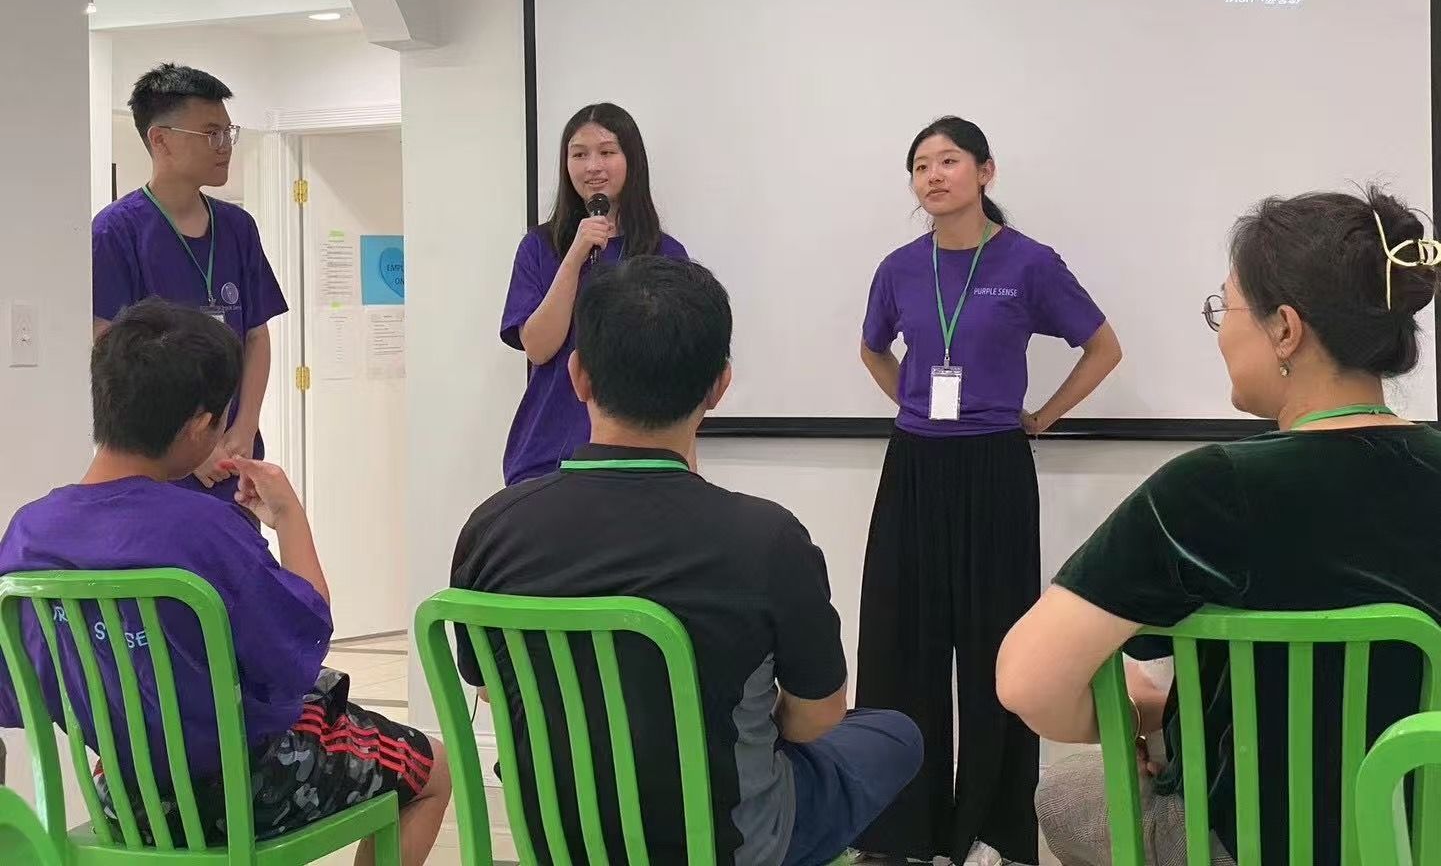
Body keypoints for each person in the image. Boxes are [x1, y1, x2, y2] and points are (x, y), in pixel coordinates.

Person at [998, 187, 1441, 866]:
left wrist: (1142, 715)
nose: (1221, 331)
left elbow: (1027, 682)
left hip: (1249, 844)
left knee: (1064, 790)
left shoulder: (1211, 487)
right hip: (1421, 834)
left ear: (1284, 329)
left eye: (1224, 308)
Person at [453, 256, 923, 865]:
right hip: (728, 844)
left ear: (578, 376)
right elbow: (818, 715)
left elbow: (492, 688)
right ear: (719, 386)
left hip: (558, 837)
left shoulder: (493, 527)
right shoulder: (768, 539)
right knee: (892, 734)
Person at [0, 300, 450, 865]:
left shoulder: (28, 535)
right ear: (197, 426)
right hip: (245, 791)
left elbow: (21, 689)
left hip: (124, 796)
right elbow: (301, 643)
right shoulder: (204, 529)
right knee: (433, 769)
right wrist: (289, 517)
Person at [854, 117, 1122, 866]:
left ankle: (994, 827)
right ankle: (897, 831)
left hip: (994, 466)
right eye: (919, 166)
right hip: (913, 465)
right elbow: (872, 348)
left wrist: (1044, 416)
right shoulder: (898, 268)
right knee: (901, 643)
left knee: (994, 647)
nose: (932, 176)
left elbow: (1102, 345)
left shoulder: (1028, 263)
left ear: (984, 172)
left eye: (947, 161)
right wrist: (910, 399)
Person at [92, 64, 286, 522]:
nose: (225, 148)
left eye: (227, 133)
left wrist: (243, 427)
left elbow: (255, 336)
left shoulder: (238, 228)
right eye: (210, 133)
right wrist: (188, 451)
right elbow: (107, 348)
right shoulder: (117, 231)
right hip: (158, 462)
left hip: (232, 460)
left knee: (236, 575)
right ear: (160, 139)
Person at [500, 102, 688, 485]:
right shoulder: (539, 247)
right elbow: (538, 348)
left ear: (631, 159)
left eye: (606, 152)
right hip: (548, 457)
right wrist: (574, 256)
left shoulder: (665, 255)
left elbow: (679, 371)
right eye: (579, 154)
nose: (592, 167)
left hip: (639, 463)